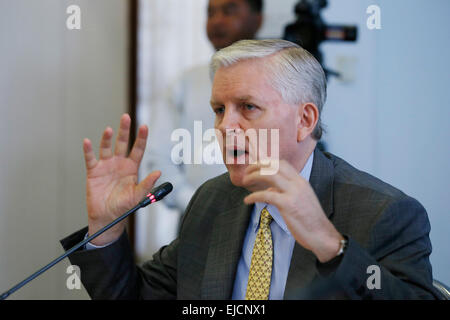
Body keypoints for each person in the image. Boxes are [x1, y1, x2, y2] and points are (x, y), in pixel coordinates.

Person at [61, 39, 439, 299]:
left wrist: (330, 245)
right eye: (219, 110)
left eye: (248, 107)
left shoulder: (385, 213)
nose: (225, 127)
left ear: (305, 120)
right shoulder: (212, 200)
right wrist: (105, 230)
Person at [147, 0, 263, 212]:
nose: (217, 21)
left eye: (229, 11)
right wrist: (192, 202)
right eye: (211, 13)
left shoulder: (280, 82)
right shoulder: (186, 83)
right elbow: (157, 157)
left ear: (257, 19)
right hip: (197, 218)